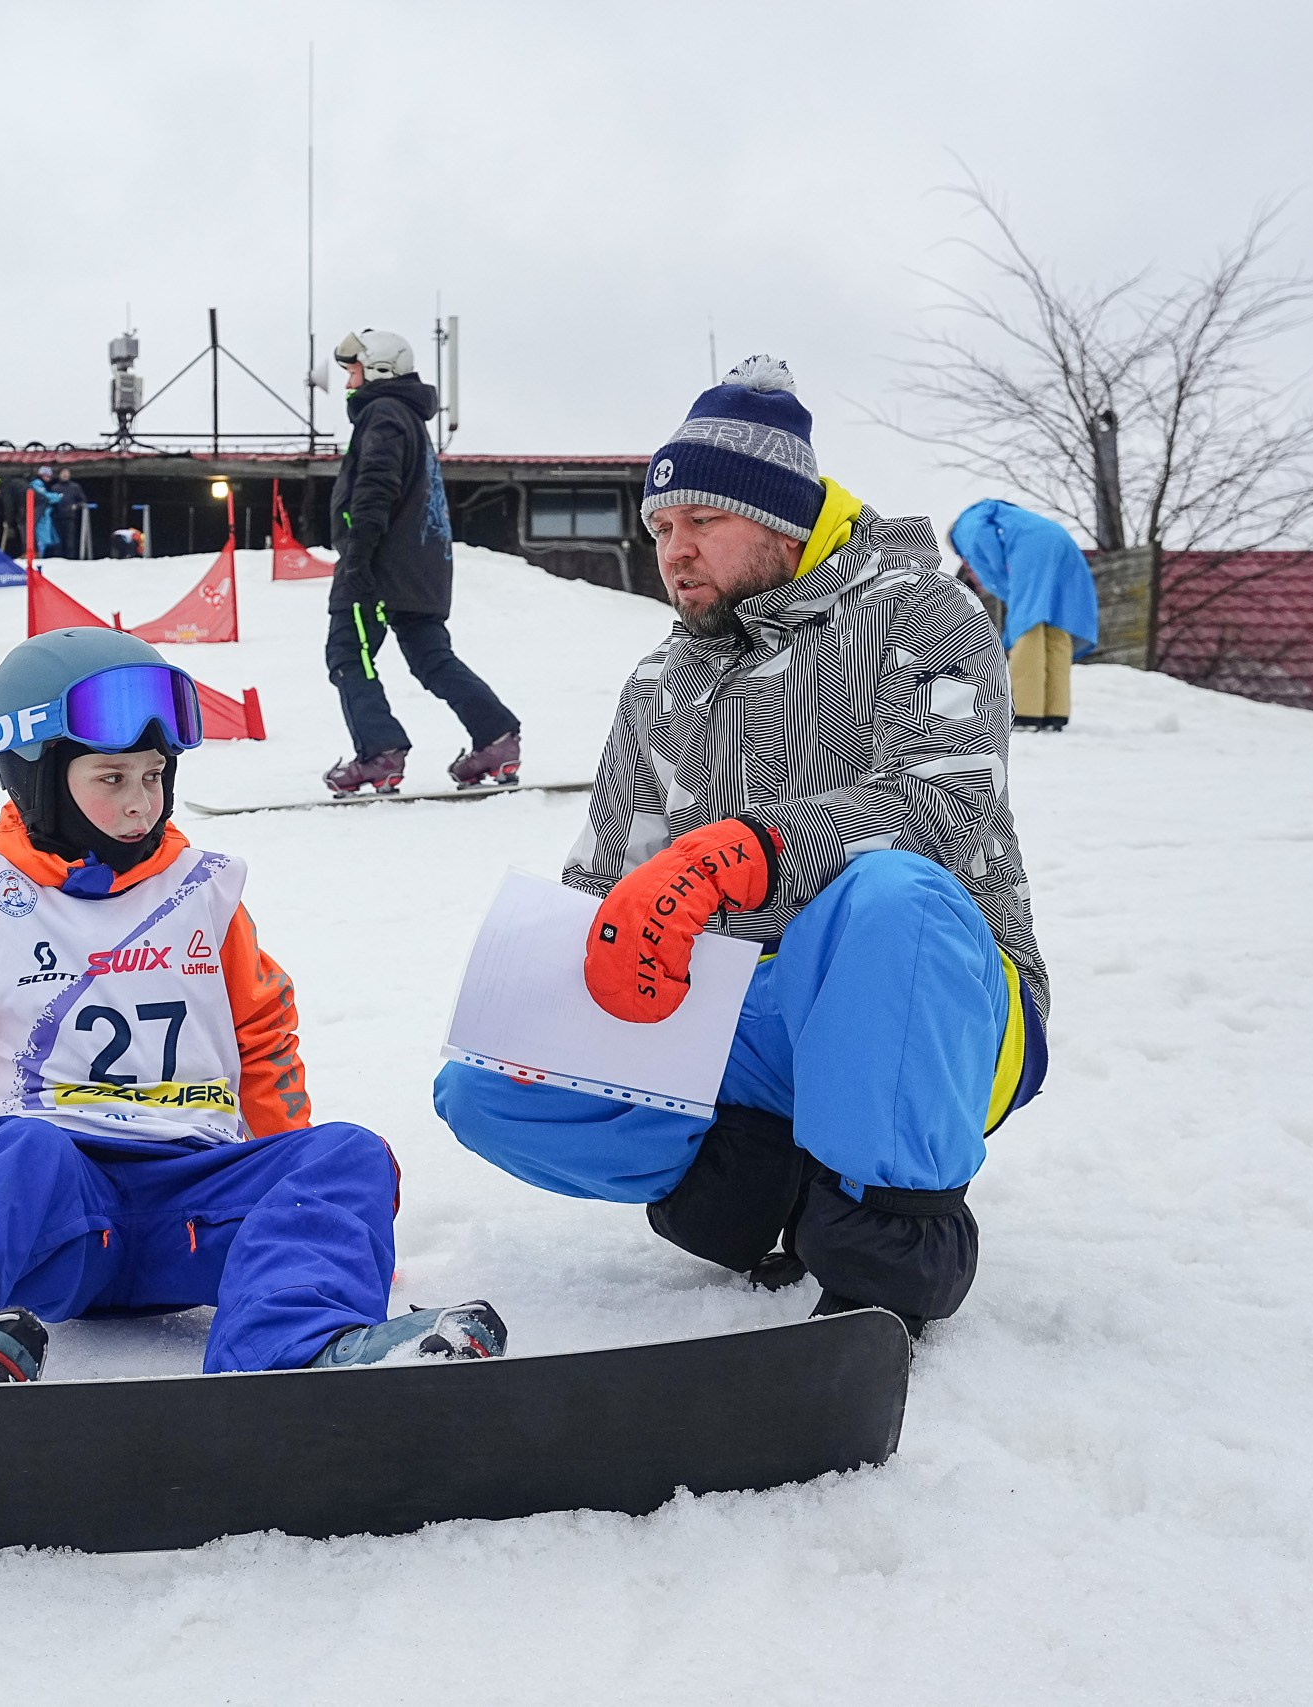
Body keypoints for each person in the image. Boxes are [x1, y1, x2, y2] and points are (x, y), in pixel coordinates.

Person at [432, 356, 1050, 1335]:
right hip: (753, 1020)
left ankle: (885, 1259)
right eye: (660, 529)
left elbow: (945, 803)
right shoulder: (659, 683)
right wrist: (583, 969)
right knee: (487, 1089)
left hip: (940, 1003)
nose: (674, 551)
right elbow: (604, 877)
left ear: (781, 521)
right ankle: (757, 1184)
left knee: (891, 897)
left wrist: (744, 851)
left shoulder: (920, 611)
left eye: (702, 521)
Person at [0, 627, 506, 1387]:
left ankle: (293, 1351)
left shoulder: (203, 891)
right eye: (112, 777)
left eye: (154, 775)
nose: (140, 802)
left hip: (193, 1206)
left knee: (346, 1153)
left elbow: (263, 1042)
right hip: (47, 1218)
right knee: (22, 1150)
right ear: (36, 775)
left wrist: (312, 1233)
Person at [320, 328, 521, 796]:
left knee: (348, 654)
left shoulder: (382, 414)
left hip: (377, 567)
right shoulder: (407, 417)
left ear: (379, 369)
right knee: (431, 658)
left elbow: (375, 488)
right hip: (420, 567)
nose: (348, 381)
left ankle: (380, 753)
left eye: (354, 370)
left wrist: (358, 556)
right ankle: (497, 738)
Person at [950, 499, 1101, 731]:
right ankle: (1055, 713)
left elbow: (980, 536)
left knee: (1027, 627)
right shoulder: (1008, 516)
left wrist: (999, 570)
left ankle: (1026, 712)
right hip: (1063, 542)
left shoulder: (963, 525)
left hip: (1032, 549)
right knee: (1056, 626)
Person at [26, 464, 65, 559]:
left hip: (45, 515)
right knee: (42, 538)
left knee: (49, 538)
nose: (49, 478)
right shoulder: (37, 484)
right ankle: (39, 556)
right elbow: (45, 497)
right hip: (40, 515)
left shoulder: (42, 484)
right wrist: (57, 496)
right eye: (47, 476)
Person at [52, 466, 90, 558]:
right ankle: (57, 559)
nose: (65, 475)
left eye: (67, 473)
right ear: (59, 475)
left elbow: (83, 500)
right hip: (57, 518)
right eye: (63, 473)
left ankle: (70, 559)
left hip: (70, 517)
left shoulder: (75, 487)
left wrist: (76, 506)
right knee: (57, 541)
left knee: (70, 541)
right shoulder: (55, 487)